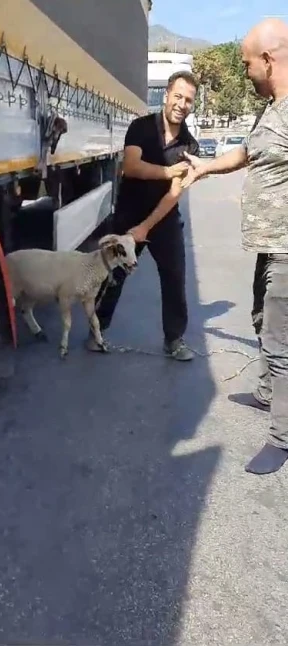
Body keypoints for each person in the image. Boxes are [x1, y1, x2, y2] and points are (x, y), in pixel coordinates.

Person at [182, 18, 288, 475]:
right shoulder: (272, 107)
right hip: (269, 244)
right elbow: (247, 153)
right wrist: (204, 167)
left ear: (268, 59)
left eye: (247, 64)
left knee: (281, 344)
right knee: (263, 320)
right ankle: (266, 394)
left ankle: (282, 438)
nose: (245, 71)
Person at [86, 71, 200, 361]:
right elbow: (131, 167)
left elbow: (174, 193)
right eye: (177, 96)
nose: (181, 104)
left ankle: (174, 340)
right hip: (127, 214)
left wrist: (145, 228)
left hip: (163, 220)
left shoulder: (190, 146)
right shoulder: (140, 127)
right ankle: (96, 330)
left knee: (175, 276)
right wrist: (167, 171)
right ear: (166, 96)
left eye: (188, 100)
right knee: (114, 275)